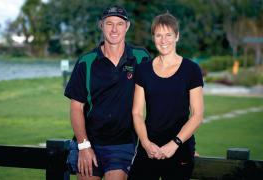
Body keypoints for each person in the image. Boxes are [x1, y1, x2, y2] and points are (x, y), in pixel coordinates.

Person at [64, 5, 150, 180]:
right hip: (89, 141)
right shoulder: (86, 62)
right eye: (109, 23)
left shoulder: (141, 58)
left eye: (119, 23)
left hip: (123, 142)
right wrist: (84, 146)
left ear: (127, 26)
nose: (114, 29)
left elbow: (159, 99)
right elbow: (76, 108)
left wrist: (182, 144)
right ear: (101, 26)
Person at [128, 12, 204, 180]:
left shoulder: (191, 70)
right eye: (159, 35)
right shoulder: (143, 70)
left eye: (168, 35)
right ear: (153, 37)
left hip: (179, 149)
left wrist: (174, 144)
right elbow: (137, 113)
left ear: (177, 36)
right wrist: (146, 144)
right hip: (149, 149)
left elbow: (197, 114)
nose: (164, 40)